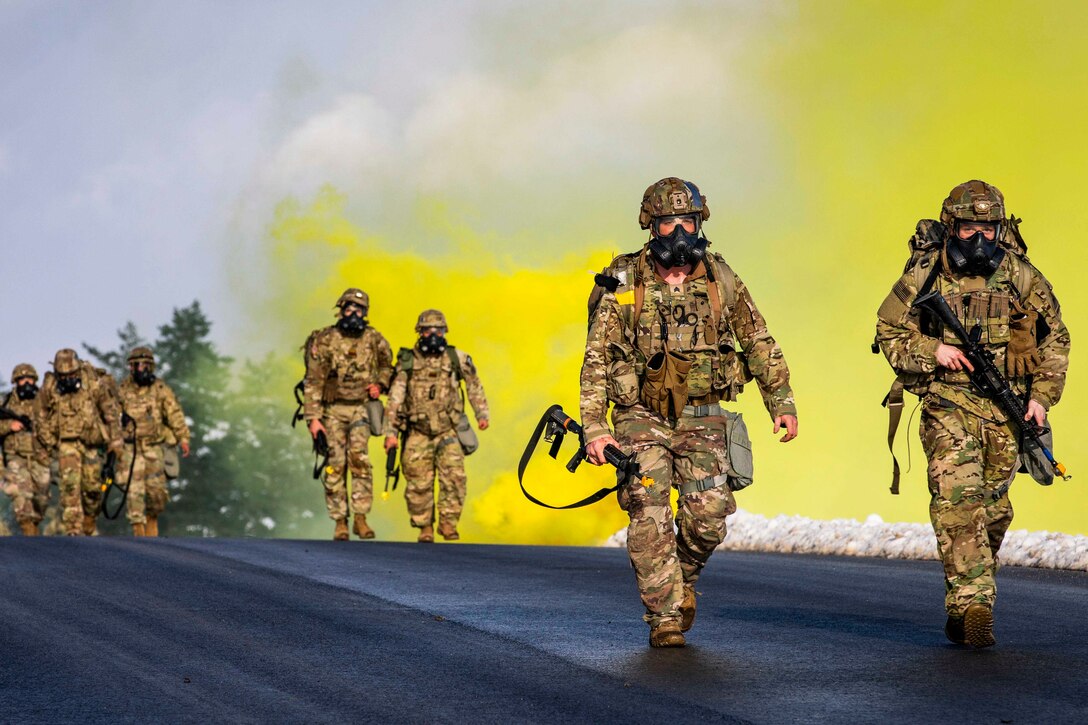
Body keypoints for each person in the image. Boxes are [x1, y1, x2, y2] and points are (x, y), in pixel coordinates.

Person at [580, 177, 798, 647]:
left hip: (703, 414)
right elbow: (597, 358)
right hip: (641, 415)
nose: (678, 232)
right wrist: (596, 428)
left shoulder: (721, 278)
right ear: (650, 226)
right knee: (648, 510)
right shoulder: (623, 279)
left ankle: (683, 578)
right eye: (667, 223)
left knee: (709, 515)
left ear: (700, 222)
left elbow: (758, 343)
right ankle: (664, 618)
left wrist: (781, 402)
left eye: (687, 221)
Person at [875, 180, 1070, 648]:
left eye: (987, 228)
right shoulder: (925, 274)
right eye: (968, 229)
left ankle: (967, 593)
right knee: (957, 501)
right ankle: (973, 601)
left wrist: (1041, 398)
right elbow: (887, 329)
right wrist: (933, 349)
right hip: (948, 402)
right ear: (951, 227)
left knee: (993, 511)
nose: (978, 239)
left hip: (1007, 408)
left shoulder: (1023, 277)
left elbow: (1056, 341)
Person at [383, 310, 489, 543]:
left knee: (454, 478)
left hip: (447, 429)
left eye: (438, 329)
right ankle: (424, 528)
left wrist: (482, 413)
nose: (433, 334)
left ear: (445, 332)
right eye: (428, 329)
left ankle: (449, 525)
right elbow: (395, 398)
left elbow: (474, 386)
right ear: (419, 332)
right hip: (417, 430)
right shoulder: (407, 361)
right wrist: (390, 433)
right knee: (418, 482)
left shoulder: (456, 358)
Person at [303, 288, 394, 540]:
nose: (353, 313)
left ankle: (361, 519)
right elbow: (313, 380)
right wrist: (313, 420)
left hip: (361, 408)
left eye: (359, 309)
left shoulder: (374, 339)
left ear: (365, 313)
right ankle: (340, 521)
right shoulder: (325, 339)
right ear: (340, 310)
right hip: (332, 411)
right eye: (349, 308)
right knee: (335, 464)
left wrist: (381, 384)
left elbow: (388, 364)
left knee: (360, 460)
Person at [36, 349, 123, 536]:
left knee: (93, 489)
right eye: (63, 375)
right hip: (66, 444)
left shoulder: (93, 383)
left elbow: (110, 413)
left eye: (72, 375)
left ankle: (90, 519)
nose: (68, 378)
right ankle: (73, 532)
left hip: (92, 444)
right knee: (70, 488)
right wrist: (50, 442)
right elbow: (40, 417)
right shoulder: (50, 387)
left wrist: (115, 441)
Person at [116, 347, 191, 537]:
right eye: (137, 365)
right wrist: (119, 419)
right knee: (134, 493)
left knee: (156, 495)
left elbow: (174, 413)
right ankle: (139, 534)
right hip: (131, 448)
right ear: (131, 367)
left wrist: (183, 438)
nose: (141, 369)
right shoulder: (122, 390)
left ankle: (151, 526)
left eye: (145, 365)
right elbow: (110, 414)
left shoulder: (160, 389)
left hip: (154, 447)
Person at [1, 364, 51, 535]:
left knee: (41, 500)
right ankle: (28, 531)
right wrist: (9, 425)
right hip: (16, 458)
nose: (26, 382)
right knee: (21, 498)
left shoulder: (45, 401)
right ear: (16, 382)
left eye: (30, 378)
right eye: (22, 379)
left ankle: (34, 529)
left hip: (40, 457)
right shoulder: (6, 402)